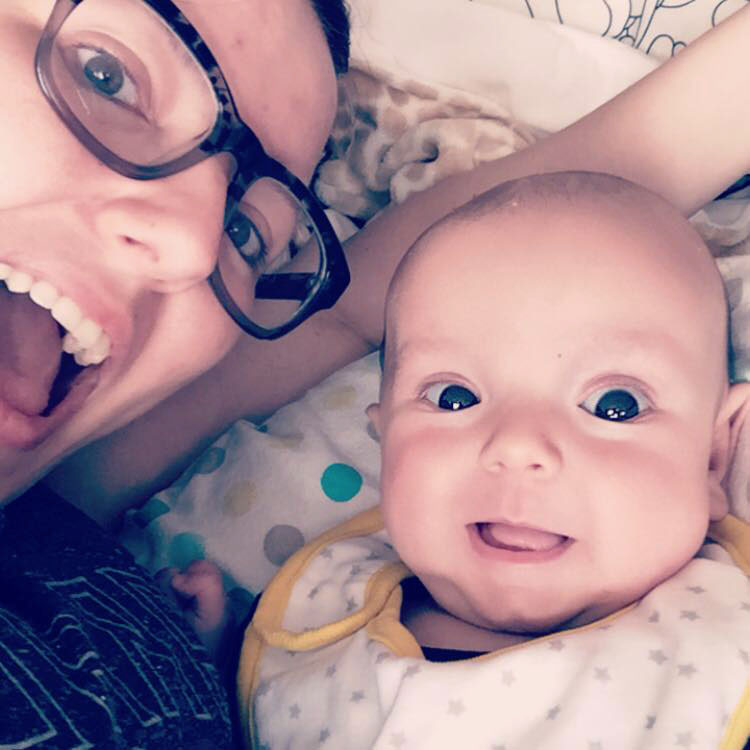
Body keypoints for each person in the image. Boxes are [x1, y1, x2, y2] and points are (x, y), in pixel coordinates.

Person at [1, 0, 750, 746]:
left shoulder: (72, 500)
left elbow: (352, 313)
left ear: (717, 449)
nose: (191, 247)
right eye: (104, 75)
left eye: (244, 232)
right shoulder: (307, 616)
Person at [177, 171, 750, 749]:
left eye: (615, 405)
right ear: (386, 436)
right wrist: (207, 668)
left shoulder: (723, 650)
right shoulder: (318, 616)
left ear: (712, 456)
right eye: (454, 397)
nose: (516, 446)